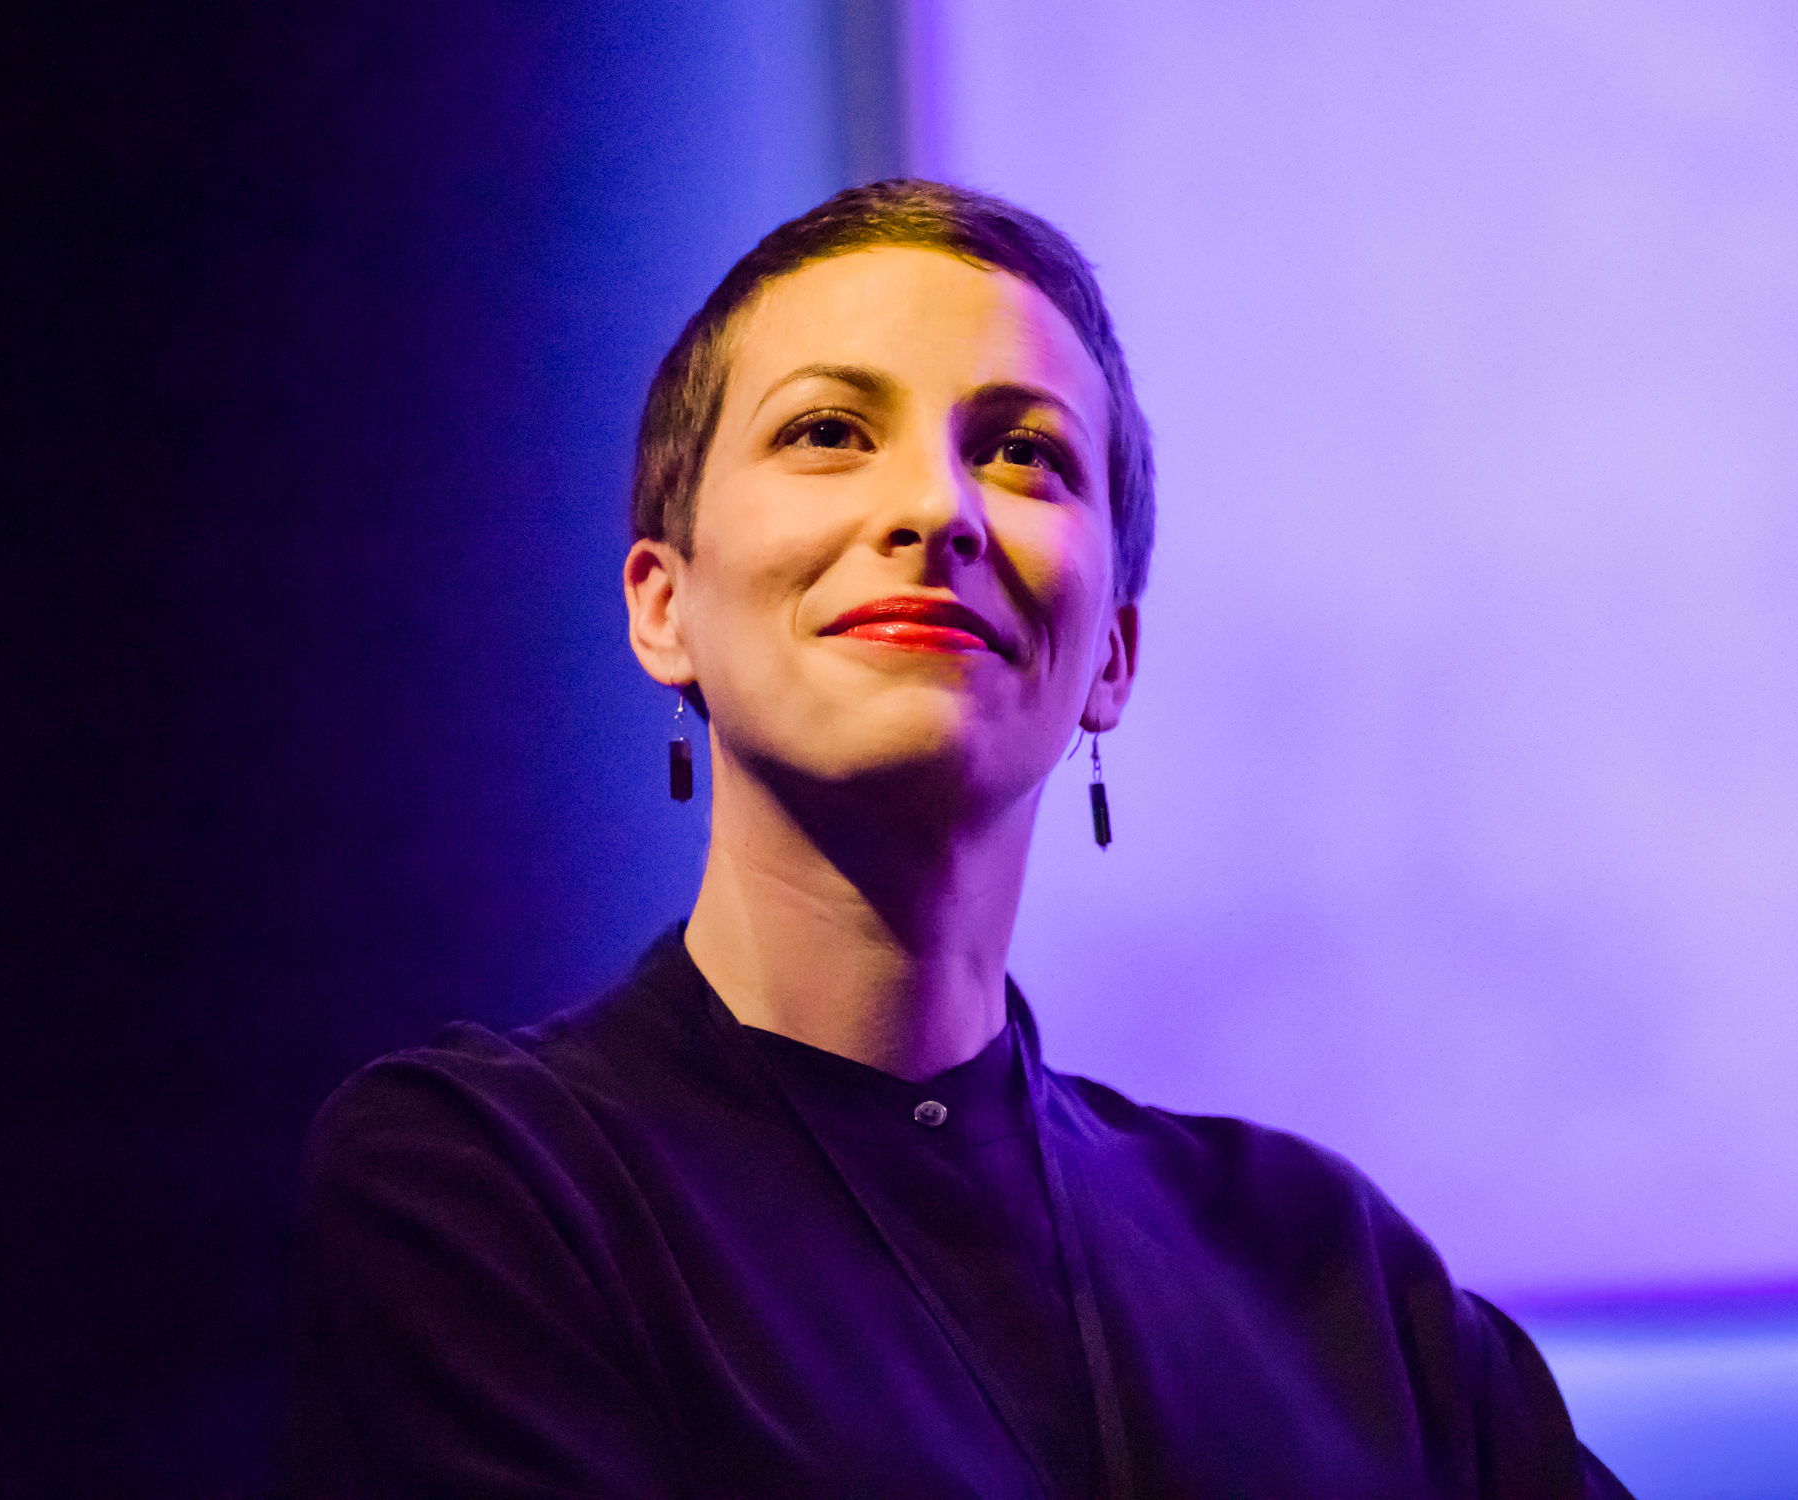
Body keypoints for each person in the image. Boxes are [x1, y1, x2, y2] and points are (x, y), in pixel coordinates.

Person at [286, 180, 1631, 1498]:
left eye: (1022, 452)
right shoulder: (491, 1187)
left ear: (1110, 652)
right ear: (664, 607)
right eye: (825, 431)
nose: (937, 510)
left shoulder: (1323, 1267)